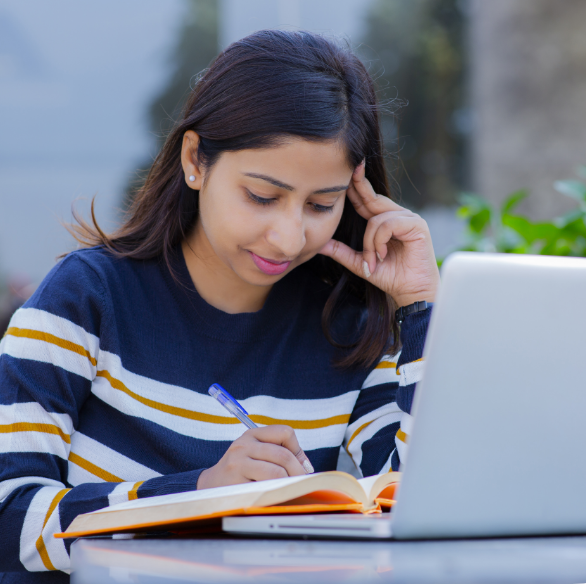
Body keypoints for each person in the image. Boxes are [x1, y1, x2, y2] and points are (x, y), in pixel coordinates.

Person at [0, 30, 439, 581]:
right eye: (262, 196)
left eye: (321, 204)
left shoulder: (347, 328)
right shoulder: (85, 298)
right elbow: (8, 516)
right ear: (195, 160)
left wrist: (419, 308)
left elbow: (425, 507)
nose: (287, 237)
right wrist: (201, 494)